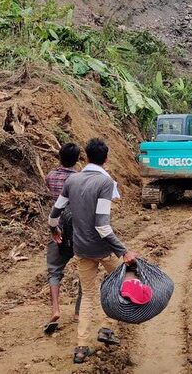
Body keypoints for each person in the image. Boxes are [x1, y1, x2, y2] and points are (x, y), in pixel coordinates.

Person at [49, 138, 138, 364]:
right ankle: (107, 329)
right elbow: (102, 225)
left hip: (81, 249)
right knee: (121, 284)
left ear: (86, 157)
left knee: (88, 296)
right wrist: (123, 251)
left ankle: (81, 347)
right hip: (103, 248)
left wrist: (54, 231)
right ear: (106, 159)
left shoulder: (73, 180)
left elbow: (54, 213)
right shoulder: (105, 182)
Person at [44, 142, 82, 335]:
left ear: (59, 157)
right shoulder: (80, 179)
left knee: (54, 271)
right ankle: (78, 312)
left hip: (57, 228)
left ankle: (56, 309)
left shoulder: (50, 176)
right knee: (86, 268)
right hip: (78, 230)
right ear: (77, 160)